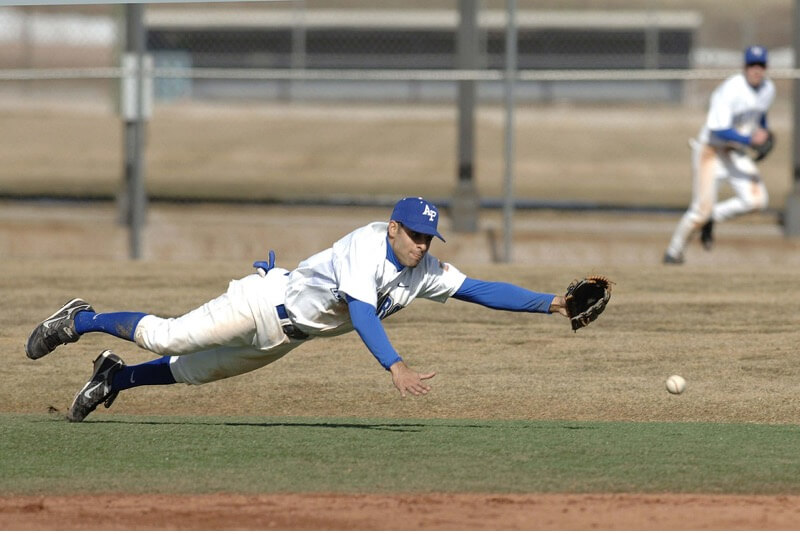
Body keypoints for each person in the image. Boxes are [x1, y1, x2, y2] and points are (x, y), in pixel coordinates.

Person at [26, 196, 570, 422]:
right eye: (416, 236)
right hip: (263, 301)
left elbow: (479, 289)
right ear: (393, 228)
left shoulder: (422, 270)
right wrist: (395, 365)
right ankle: (79, 319)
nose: (423, 246)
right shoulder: (364, 246)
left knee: (192, 372)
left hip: (287, 337)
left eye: (430, 238)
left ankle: (115, 379)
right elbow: (361, 312)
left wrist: (552, 304)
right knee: (169, 338)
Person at [663, 45, 775, 264]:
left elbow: (759, 117)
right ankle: (673, 253)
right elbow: (717, 128)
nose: (756, 70)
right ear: (744, 67)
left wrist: (763, 134)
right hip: (710, 150)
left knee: (757, 200)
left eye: (760, 65)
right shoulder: (731, 89)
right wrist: (750, 140)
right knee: (699, 211)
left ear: (766, 67)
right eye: (752, 64)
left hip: (735, 152)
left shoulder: (768, 89)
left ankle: (713, 217)